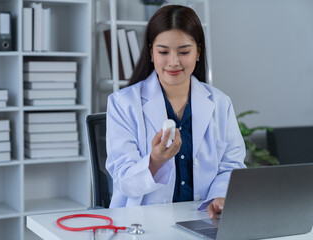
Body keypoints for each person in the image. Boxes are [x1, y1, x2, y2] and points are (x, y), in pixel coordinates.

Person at [105, 5, 246, 218]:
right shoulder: (122, 103)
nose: (173, 62)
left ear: (198, 51)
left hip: (204, 219)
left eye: (184, 52)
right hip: (143, 222)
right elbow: (124, 181)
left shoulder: (220, 103)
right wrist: (155, 161)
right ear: (151, 52)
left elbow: (231, 166)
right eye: (163, 52)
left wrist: (220, 197)